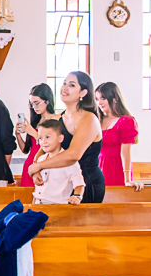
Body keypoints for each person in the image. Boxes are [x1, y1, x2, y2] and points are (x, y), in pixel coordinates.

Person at [28, 71, 105, 203]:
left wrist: (39, 165)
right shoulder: (59, 118)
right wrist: (36, 170)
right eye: (64, 83)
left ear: (83, 93)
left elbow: (73, 155)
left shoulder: (89, 119)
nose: (64, 87)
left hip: (85, 182)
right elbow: (43, 149)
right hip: (62, 182)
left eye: (72, 85)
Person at [95, 82, 143, 190]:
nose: (99, 102)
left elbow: (125, 153)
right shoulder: (98, 120)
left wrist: (127, 180)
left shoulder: (126, 121)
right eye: (97, 99)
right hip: (99, 166)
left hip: (117, 167)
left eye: (103, 98)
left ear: (114, 99)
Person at [31, 120, 85, 205]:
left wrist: (77, 196)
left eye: (47, 137)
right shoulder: (41, 159)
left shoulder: (68, 161)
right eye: (40, 138)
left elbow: (79, 183)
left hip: (58, 206)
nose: (43, 141)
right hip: (38, 205)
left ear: (60, 138)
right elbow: (37, 190)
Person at [16, 84, 60, 187]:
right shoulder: (36, 121)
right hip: (29, 167)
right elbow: (25, 150)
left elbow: (53, 147)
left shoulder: (56, 120)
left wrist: (32, 132)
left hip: (44, 167)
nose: (34, 107)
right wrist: (17, 135)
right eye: (32, 104)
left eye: (37, 103)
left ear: (47, 101)